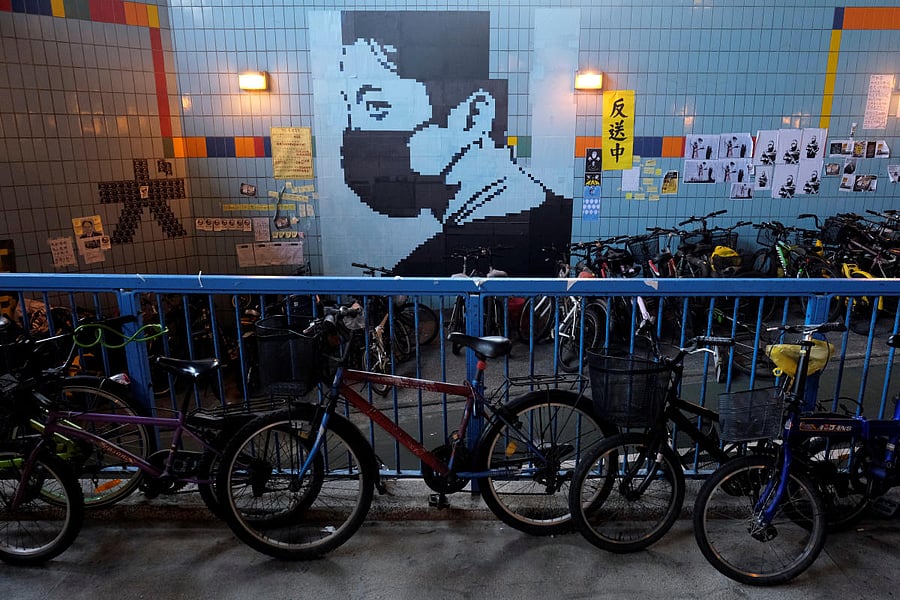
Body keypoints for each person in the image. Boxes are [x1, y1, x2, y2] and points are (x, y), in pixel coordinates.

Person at [336, 37, 570, 276]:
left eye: (377, 106)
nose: (356, 131)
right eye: (349, 112)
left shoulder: (443, 245)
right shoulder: (537, 211)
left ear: (474, 115)